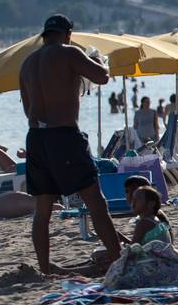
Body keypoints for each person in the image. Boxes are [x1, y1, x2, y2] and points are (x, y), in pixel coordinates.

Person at [19, 14, 122, 273]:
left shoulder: (27, 64)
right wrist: (100, 61)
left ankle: (45, 268)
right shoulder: (69, 53)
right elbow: (102, 77)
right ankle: (119, 258)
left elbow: (27, 108)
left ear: (45, 35)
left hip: (36, 138)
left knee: (42, 211)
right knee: (96, 202)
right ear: (68, 35)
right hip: (64, 135)